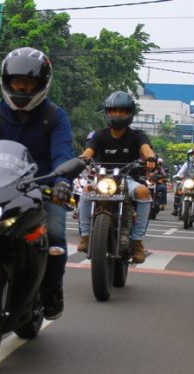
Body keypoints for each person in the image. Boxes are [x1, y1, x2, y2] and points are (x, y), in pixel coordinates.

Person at [0, 47, 75, 321]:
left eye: (29, 83)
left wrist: (62, 182)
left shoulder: (55, 116)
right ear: (6, 82)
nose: (22, 89)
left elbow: (63, 154)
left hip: (41, 189)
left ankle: (53, 290)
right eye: (16, 82)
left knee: (56, 234)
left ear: (42, 84)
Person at [77, 90, 156, 264]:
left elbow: (146, 149)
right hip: (103, 179)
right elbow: (88, 151)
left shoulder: (137, 135)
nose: (118, 115)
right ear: (107, 112)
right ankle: (85, 236)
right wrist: (83, 158)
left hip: (128, 179)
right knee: (86, 191)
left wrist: (150, 158)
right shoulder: (99, 135)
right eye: (114, 111)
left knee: (143, 192)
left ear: (130, 113)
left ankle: (137, 242)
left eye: (123, 111)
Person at [172, 148, 194, 216]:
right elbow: (180, 173)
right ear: (191, 155)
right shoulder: (187, 164)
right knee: (179, 190)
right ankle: (176, 209)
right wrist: (177, 176)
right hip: (187, 182)